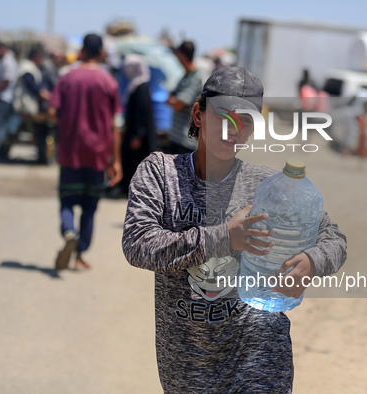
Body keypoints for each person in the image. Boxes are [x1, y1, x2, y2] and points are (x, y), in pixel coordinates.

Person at [123, 66, 347, 393]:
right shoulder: (161, 174)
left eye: (246, 121)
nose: (234, 129)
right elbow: (138, 244)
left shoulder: (268, 187)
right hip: (188, 365)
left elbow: (334, 238)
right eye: (224, 116)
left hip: (260, 348)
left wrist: (314, 261)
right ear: (198, 114)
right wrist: (223, 238)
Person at [49, 34, 123, 270]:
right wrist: (116, 160)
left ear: (81, 51)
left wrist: (68, 119)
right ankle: (80, 256)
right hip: (98, 155)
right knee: (90, 208)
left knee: (67, 201)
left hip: (70, 153)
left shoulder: (67, 78)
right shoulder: (108, 82)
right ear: (101, 53)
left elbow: (52, 111)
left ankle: (69, 231)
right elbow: (116, 124)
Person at [120, 54, 157, 196]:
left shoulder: (141, 87)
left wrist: (138, 135)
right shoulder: (136, 85)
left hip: (139, 136)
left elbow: (141, 113)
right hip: (135, 132)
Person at [165, 40, 202, 154]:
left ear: (182, 55)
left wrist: (172, 100)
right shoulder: (186, 76)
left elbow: (177, 104)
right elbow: (171, 98)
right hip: (176, 138)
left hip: (186, 141)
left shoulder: (194, 79)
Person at [356, 101, 367, 167]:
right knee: (361, 150)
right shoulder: (363, 117)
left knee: (363, 151)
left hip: (364, 135)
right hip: (362, 135)